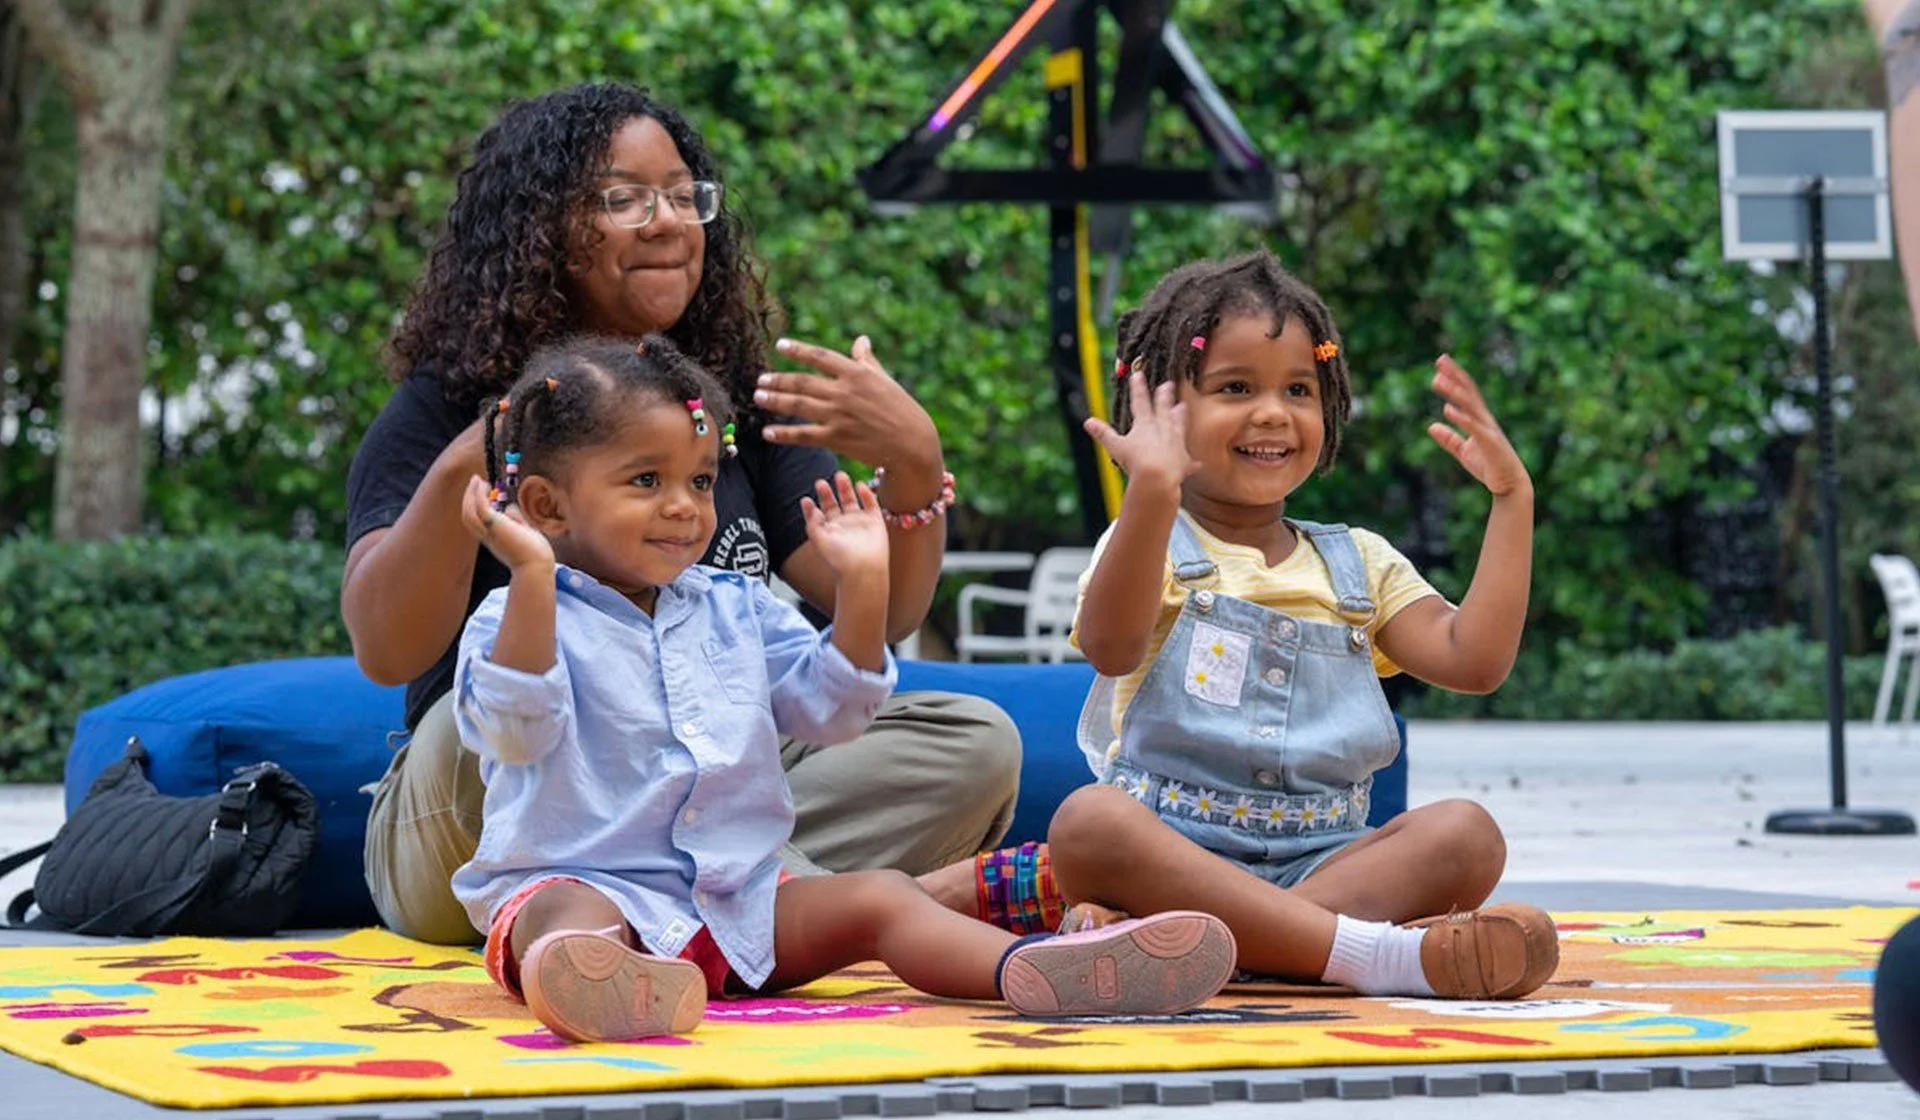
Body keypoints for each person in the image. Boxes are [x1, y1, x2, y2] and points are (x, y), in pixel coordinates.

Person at [343, 82, 1020, 943]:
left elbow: (885, 621)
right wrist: (465, 468)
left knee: (972, 741)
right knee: (494, 719)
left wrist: (916, 464)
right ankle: (873, 908)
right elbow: (387, 650)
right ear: (538, 226)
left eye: (682, 195)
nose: (668, 221)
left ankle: (687, 913)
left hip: (680, 781)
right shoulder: (444, 406)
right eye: (624, 198)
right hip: (485, 797)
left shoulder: (724, 405)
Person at [450, 334, 1237, 1042]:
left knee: (881, 900)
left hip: (737, 905)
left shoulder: (735, 604)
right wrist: (530, 575)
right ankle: (600, 981)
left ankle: (1038, 971)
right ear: (546, 505)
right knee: (567, 916)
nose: (685, 508)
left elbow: (831, 712)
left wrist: (863, 589)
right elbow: (517, 730)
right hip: (591, 886)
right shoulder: (514, 615)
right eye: (647, 480)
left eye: (699, 480)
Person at [1042, 250, 1560, 1000]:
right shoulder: (1150, 539)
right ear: (1158, 408)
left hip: (1325, 860)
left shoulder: (1359, 562)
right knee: (1089, 824)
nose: (1273, 412)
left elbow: (1473, 662)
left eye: (1298, 389)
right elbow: (1108, 647)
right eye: (1235, 388)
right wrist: (1150, 493)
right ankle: (1373, 958)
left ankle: (1216, 947)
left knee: (1467, 833)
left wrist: (1513, 501)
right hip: (1174, 851)